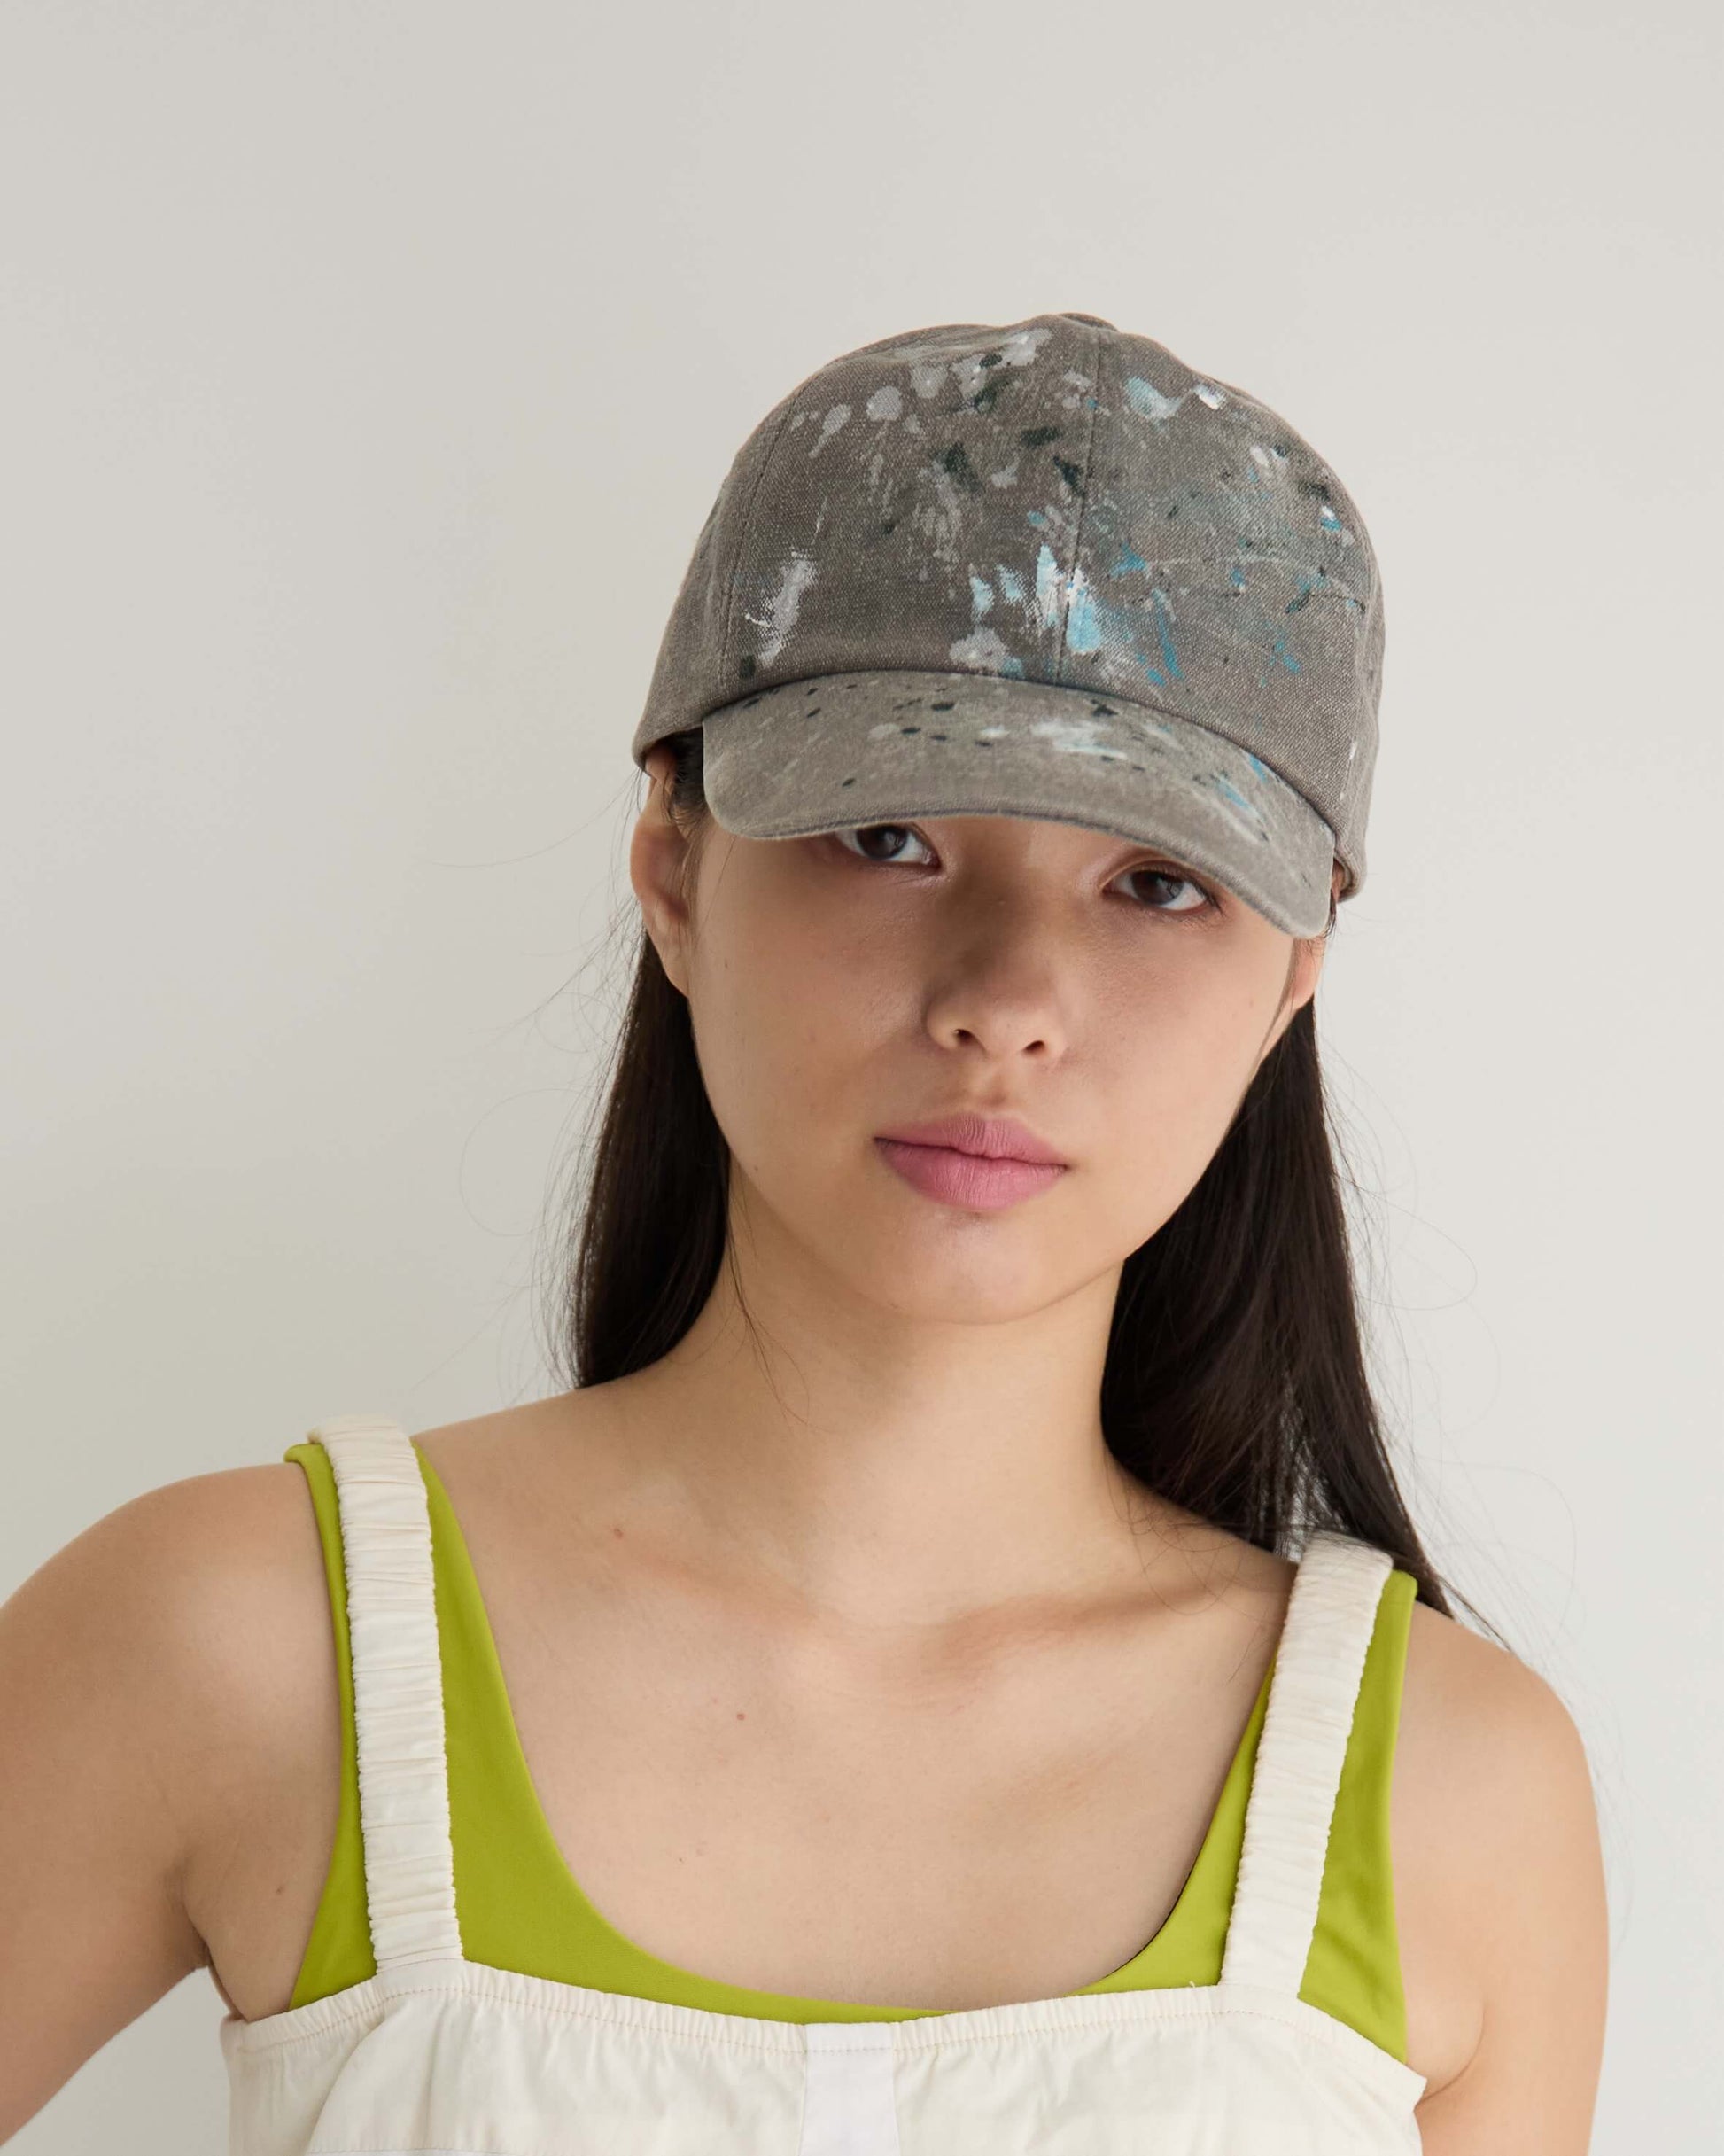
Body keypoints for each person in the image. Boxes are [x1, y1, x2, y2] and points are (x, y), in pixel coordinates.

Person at [0, 311, 1607, 2151]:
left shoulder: (1451, 1796)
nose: (1005, 1003)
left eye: (1156, 882)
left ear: (1294, 974)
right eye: (889, 838)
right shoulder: (246, 1639)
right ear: (674, 865)